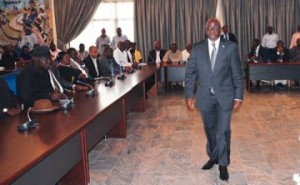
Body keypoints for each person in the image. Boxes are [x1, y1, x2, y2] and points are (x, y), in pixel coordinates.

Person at [185, 18, 244, 181]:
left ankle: (223, 164)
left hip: (225, 96)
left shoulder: (230, 47)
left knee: (223, 130)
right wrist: (189, 94)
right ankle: (214, 156)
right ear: (206, 30)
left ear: (220, 30)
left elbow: (237, 74)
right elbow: (190, 73)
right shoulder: (197, 48)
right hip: (205, 97)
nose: (212, 30)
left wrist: (239, 95)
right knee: (209, 129)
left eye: (215, 27)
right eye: (209, 28)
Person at [17, 46, 86, 109]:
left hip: (49, 105)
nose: (49, 62)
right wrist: (49, 96)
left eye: (49, 59)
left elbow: (48, 89)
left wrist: (55, 94)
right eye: (45, 59)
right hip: (34, 110)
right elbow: (26, 99)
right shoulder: (25, 75)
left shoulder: (44, 71)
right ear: (34, 58)